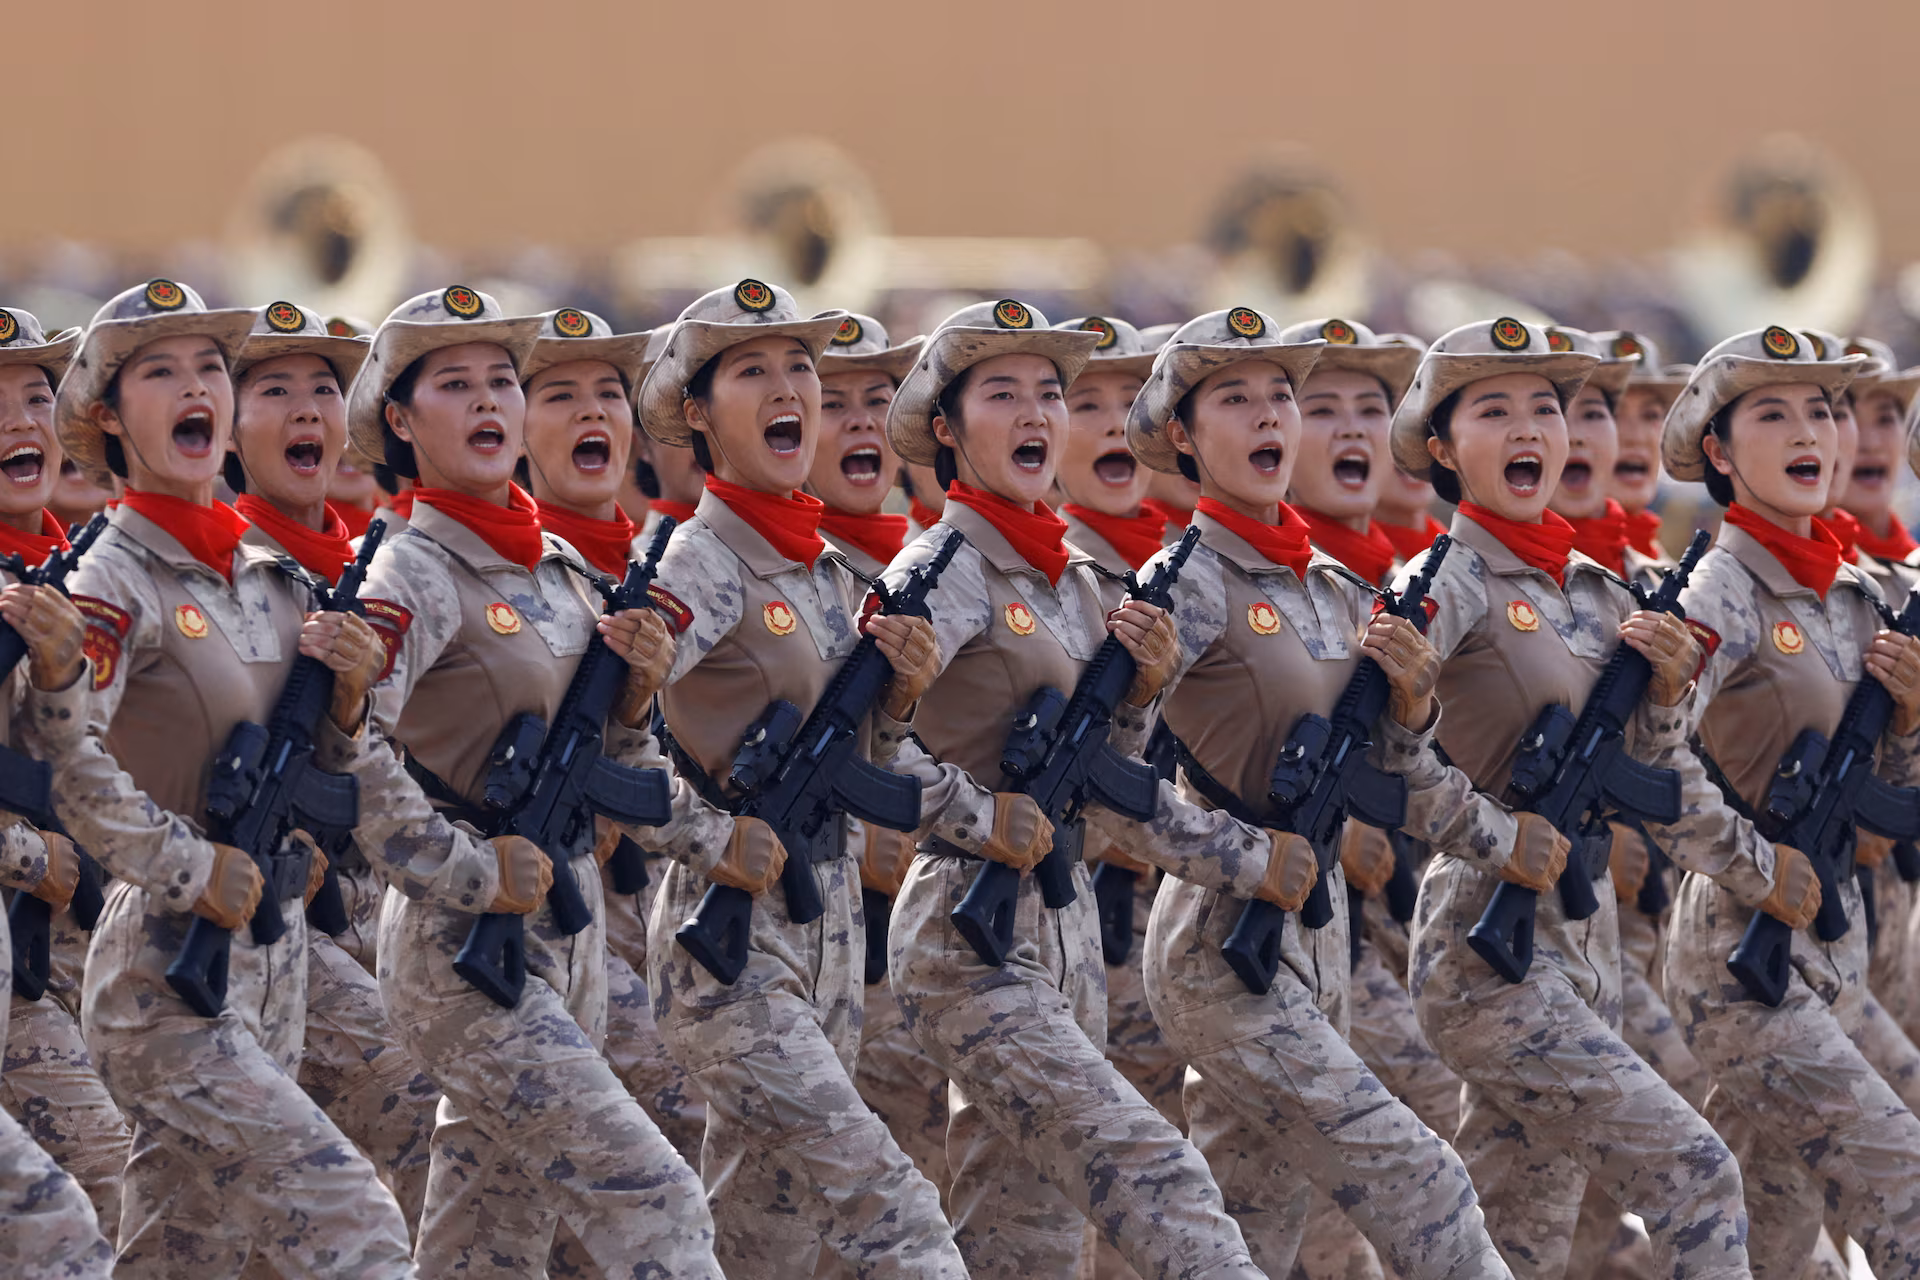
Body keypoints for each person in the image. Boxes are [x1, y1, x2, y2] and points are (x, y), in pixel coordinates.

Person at [1084, 305, 1507, 1279]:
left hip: (1313, 932)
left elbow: (1393, 768)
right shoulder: (1179, 582)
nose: (1270, 413)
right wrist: (1249, 856)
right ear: (1182, 434)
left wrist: (1414, 708)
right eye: (1236, 396)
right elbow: (1103, 786)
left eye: (1282, 394)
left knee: (1260, 1229)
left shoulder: (1327, 583)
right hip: (1220, 946)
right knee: (1422, 1180)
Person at [321, 285, 720, 1276]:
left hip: (566, 930)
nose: (489, 399)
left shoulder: (553, 567)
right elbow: (343, 747)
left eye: (501, 379)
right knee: (656, 1194)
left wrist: (635, 702)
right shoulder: (407, 570)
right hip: (465, 948)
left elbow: (613, 760)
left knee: (489, 1242)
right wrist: (465, 870)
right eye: (456, 384)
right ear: (403, 424)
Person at [28, 279, 413, 1275]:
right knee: (356, 1219)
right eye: (162, 371)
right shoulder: (110, 581)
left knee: (186, 1252)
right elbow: (72, 771)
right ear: (111, 416)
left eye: (209, 367)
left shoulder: (270, 576)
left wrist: (350, 700)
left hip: (272, 962)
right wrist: (191, 864)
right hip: (165, 973)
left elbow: (338, 770)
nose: (195, 386)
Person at [876, 297, 1263, 1280]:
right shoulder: (937, 571)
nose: (1037, 413)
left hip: (1061, 927)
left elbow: (1106, 774)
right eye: (1003, 393)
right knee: (1156, 1173)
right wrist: (980, 816)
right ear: (948, 430)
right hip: (969, 931)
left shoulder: (1077, 584)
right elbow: (862, 756)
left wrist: (1140, 695)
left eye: (1050, 392)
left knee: (1024, 1233)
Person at [1384, 317, 1750, 1279]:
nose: (1530, 431)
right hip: (1484, 945)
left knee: (1520, 1244)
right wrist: (1499, 837)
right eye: (1494, 411)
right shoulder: (1436, 585)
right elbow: (1386, 764)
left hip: (1580, 943)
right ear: (1443, 449)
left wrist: (1666, 698)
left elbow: (1651, 768)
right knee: (1696, 1173)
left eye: (1545, 409)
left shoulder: (1590, 590)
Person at [630, 281, 964, 1278]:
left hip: (824, 930)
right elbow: (611, 745)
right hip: (729, 941)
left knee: (770, 1235)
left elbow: (872, 760)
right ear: (698, 412)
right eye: (752, 371)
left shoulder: (822, 570)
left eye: (800, 370)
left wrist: (899, 699)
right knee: (895, 1206)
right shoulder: (700, 563)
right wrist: (709, 833)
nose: (789, 391)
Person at [1640, 325, 1920, 1278]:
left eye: (1824, 410)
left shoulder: (1848, 596)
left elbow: (1897, 794)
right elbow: (1648, 763)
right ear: (1718, 453)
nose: (1812, 431)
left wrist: (1913, 721)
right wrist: (1761, 866)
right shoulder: (1716, 593)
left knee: (1774, 1236)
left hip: (1828, 941)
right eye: (1774, 413)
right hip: (1739, 950)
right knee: (1899, 1173)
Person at [222, 300, 439, 1229]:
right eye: (275, 391)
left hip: (371, 909)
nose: (310, 410)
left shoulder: (378, 569)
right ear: (226, 428)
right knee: (432, 1131)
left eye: (326, 389)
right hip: (263, 922)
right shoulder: (222, 571)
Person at [513, 304, 707, 1165]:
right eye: (559, 395)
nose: (592, 413)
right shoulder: (507, 577)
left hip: (642, 916)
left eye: (608, 394)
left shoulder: (654, 570)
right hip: (537, 913)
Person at [797, 310, 954, 1195]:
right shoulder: (751, 574)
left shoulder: (938, 569)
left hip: (922, 945)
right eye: (836, 402)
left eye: (879, 402)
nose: (861, 422)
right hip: (807, 927)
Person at [0, 306, 117, 1278]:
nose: (20, 422)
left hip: (44, 964)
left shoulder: (60, 581)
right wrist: (36, 857)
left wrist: (63, 673)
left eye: (35, 395)